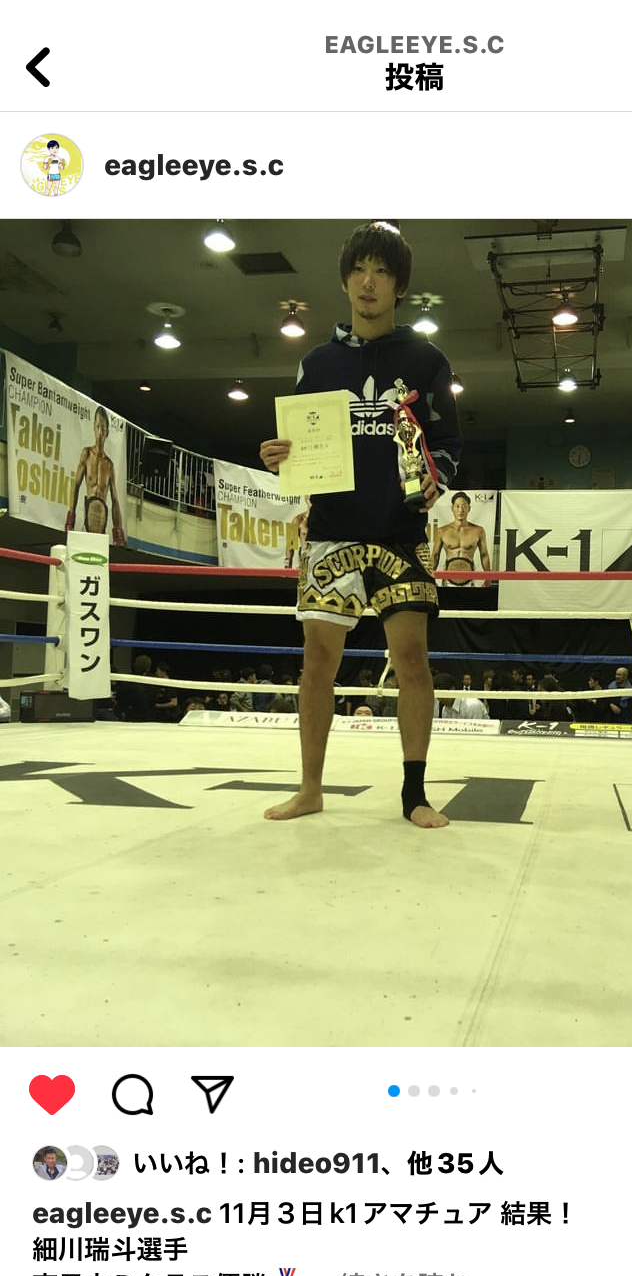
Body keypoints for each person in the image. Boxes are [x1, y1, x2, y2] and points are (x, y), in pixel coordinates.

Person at [259, 222, 462, 828]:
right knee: (317, 664)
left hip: (400, 532)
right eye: (358, 270)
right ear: (345, 281)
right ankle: (310, 789)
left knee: (413, 661)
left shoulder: (427, 360)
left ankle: (414, 795)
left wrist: (436, 479)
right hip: (330, 531)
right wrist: (277, 455)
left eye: (381, 271)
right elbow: (299, 445)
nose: (368, 282)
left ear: (400, 286)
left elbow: (450, 444)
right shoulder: (317, 363)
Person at [65, 406, 125, 545]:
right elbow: (76, 485)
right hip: (88, 512)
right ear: (93, 427)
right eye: (98, 427)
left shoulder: (109, 465)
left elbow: (115, 500)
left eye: (103, 428)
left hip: (102, 518)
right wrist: (71, 518)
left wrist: (118, 532)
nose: (100, 432)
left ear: (107, 432)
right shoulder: (86, 454)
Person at [432, 492, 491, 576]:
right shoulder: (442, 531)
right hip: (448, 576)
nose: (460, 510)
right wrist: (429, 576)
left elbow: (484, 555)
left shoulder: (478, 531)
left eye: (464, 506)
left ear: (469, 508)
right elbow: (435, 555)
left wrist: (488, 578)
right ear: (452, 508)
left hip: (470, 575)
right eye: (457, 506)